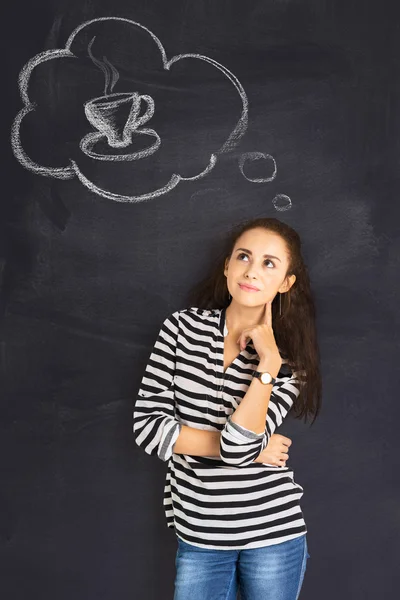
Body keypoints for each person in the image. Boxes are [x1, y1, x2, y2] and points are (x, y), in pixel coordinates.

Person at [133, 217, 322, 600]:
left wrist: (267, 364)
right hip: (200, 534)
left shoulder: (288, 362)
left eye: (270, 263)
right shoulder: (181, 329)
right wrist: (256, 448)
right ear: (227, 265)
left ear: (286, 282)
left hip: (273, 532)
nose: (252, 271)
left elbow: (237, 449)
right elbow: (148, 429)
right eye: (244, 257)